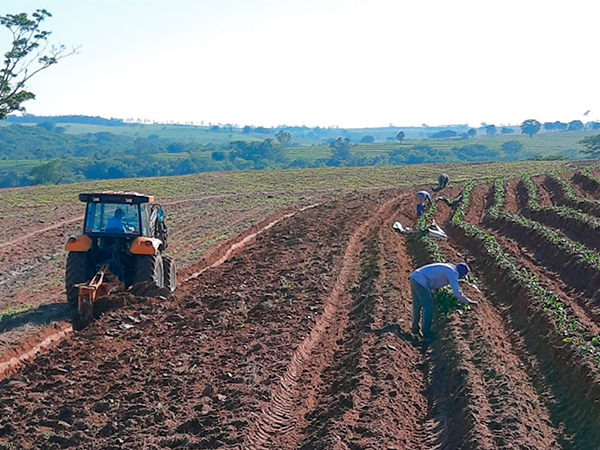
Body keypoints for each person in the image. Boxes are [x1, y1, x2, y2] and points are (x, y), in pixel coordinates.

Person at [409, 262, 476, 338]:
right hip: (421, 281)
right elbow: (457, 292)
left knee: (417, 305)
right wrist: (468, 301)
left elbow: (436, 277)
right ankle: (426, 331)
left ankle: (415, 328)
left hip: (414, 276)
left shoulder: (449, 267)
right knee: (428, 306)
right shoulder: (453, 273)